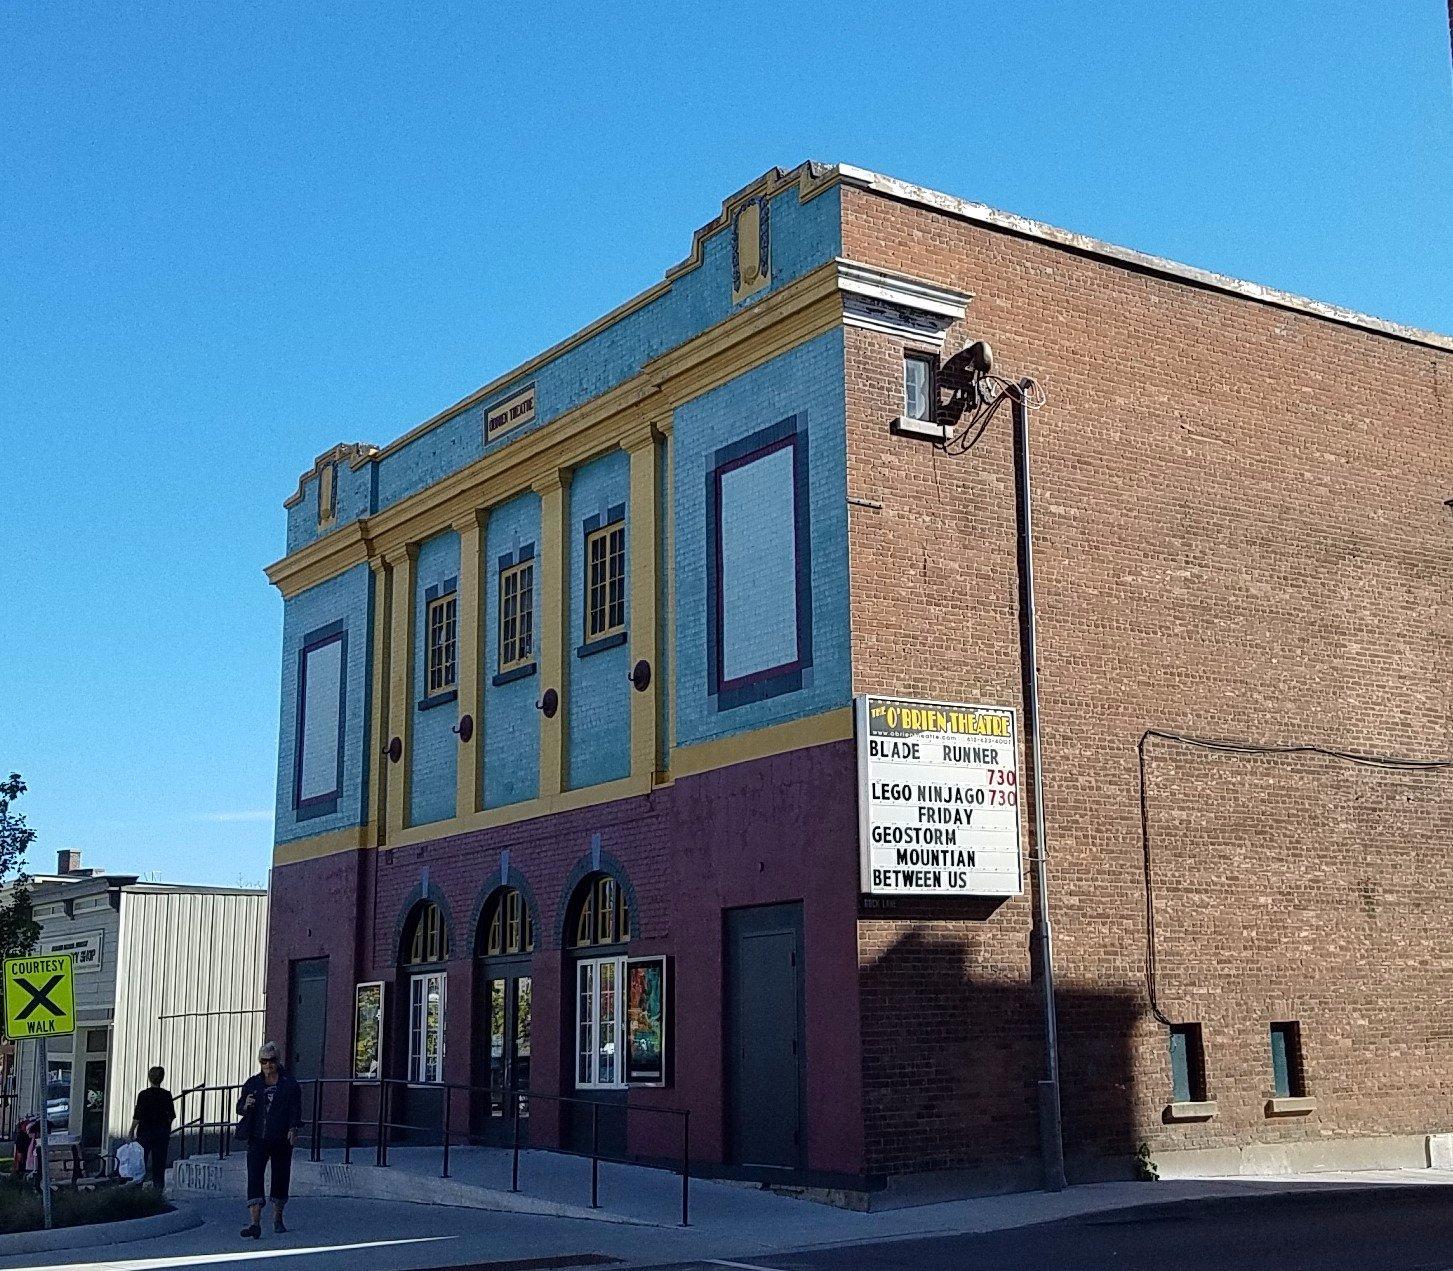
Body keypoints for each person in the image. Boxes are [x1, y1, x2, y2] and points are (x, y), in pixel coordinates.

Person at [235, 1041, 302, 1239]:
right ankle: (254, 1223)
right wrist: (246, 1104)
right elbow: (239, 1108)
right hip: (257, 1137)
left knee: (280, 1176)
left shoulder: (289, 1084)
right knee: (254, 1176)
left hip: (281, 1138)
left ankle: (277, 1218)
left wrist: (293, 1128)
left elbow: (295, 1109)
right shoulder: (253, 1083)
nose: (267, 1065)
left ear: (277, 1061)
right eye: (263, 1061)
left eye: (271, 1061)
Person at [128, 1066, 176, 1190]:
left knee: (140, 1162)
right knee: (159, 1163)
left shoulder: (143, 1095)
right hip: (161, 1133)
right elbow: (171, 1115)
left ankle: (137, 1188)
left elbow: (138, 1115)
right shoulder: (166, 1094)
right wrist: (167, 1128)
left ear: (149, 1078)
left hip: (145, 1132)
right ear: (162, 1078)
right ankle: (158, 1191)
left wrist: (131, 1130)